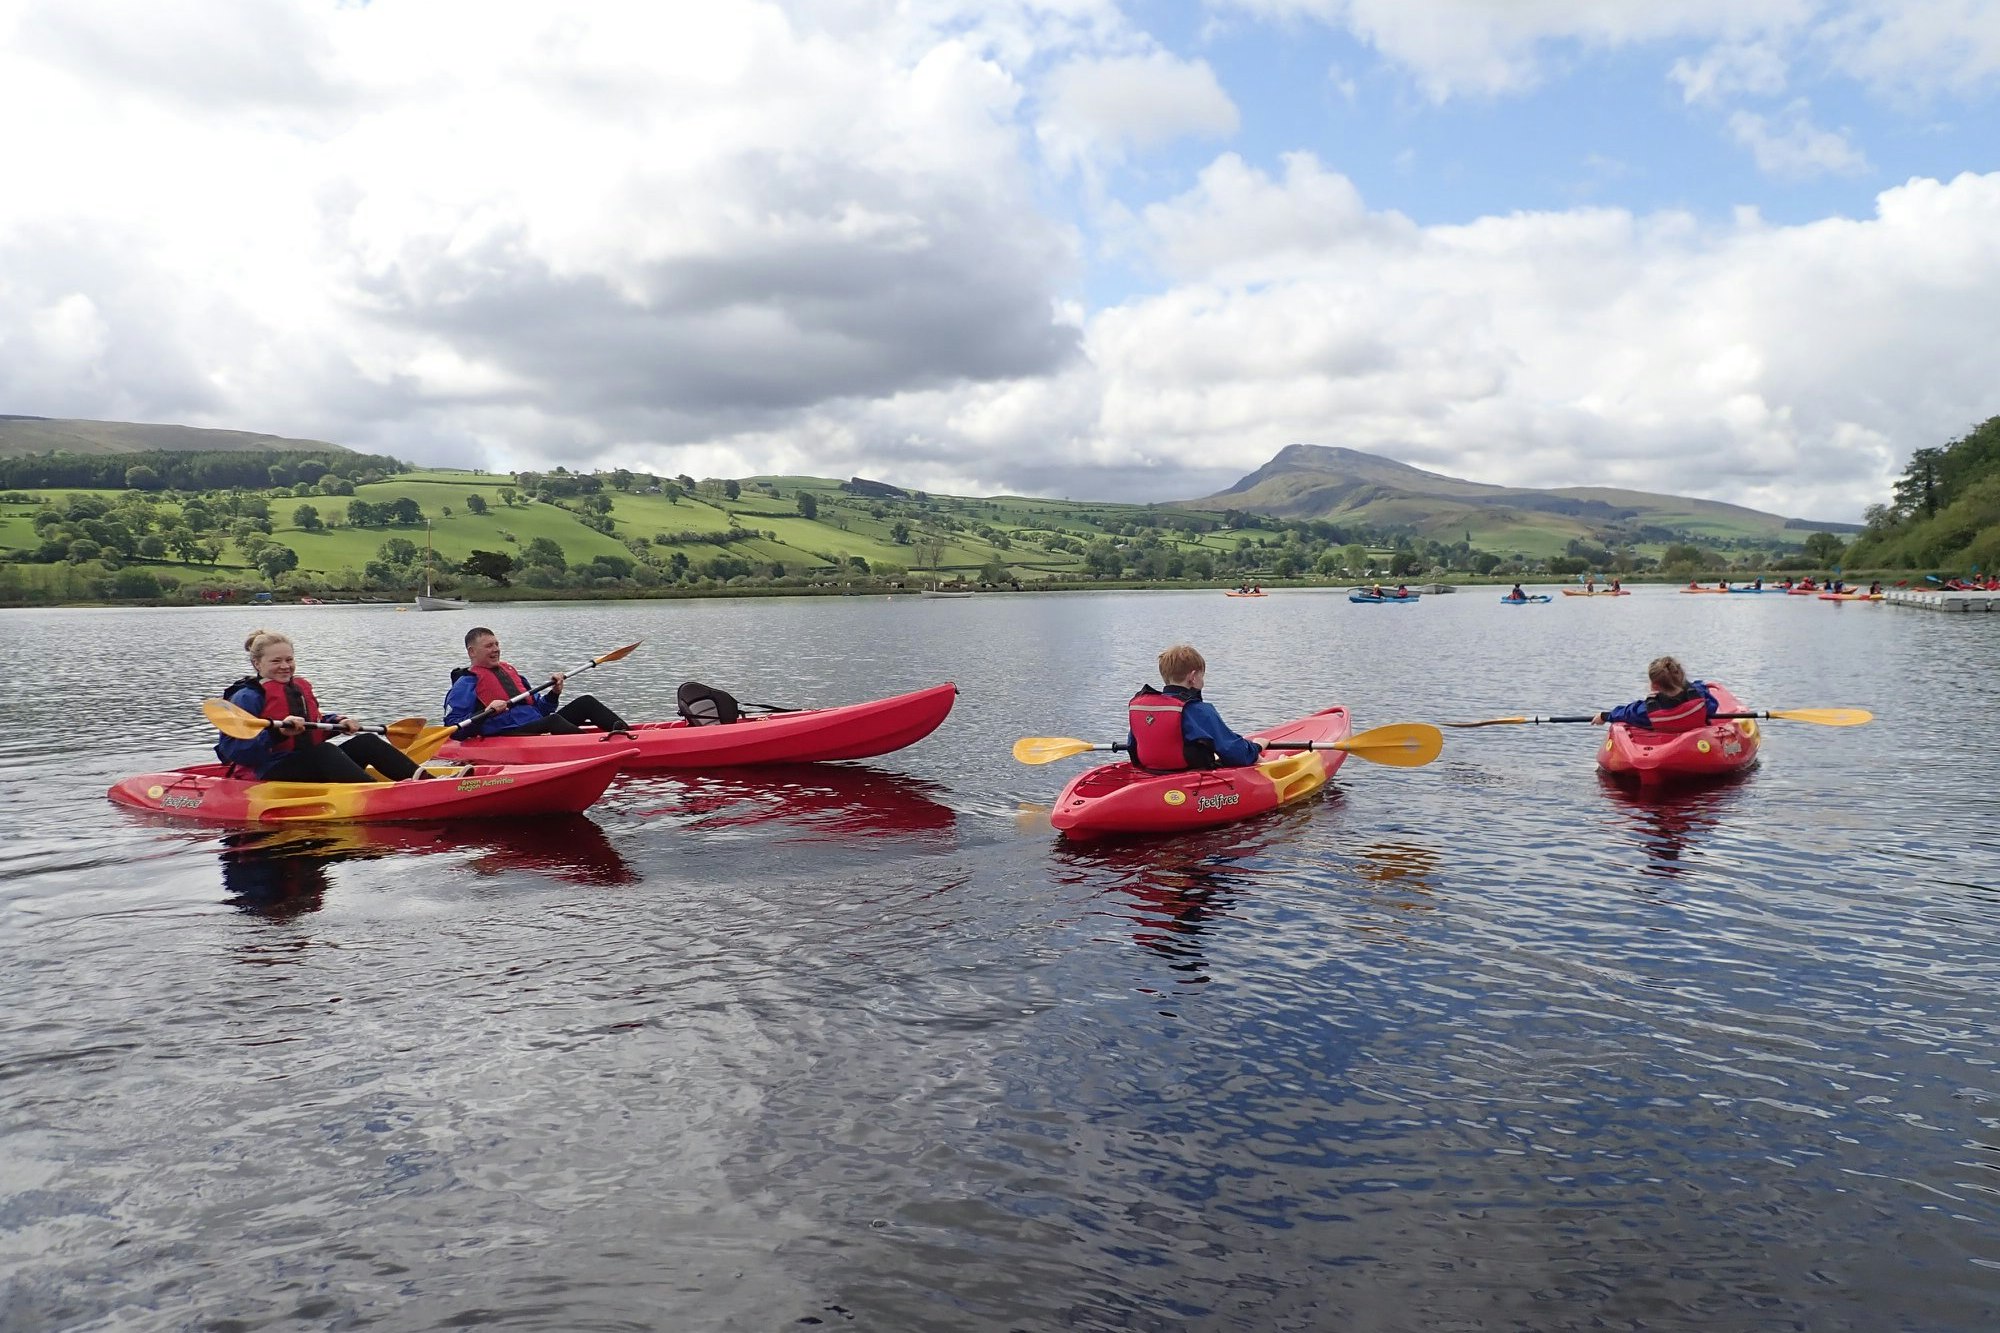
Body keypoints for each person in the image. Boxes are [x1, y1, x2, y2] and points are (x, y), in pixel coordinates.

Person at [216, 629, 424, 782]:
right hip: (267, 771)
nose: (285, 666)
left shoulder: (298, 688)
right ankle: (380, 794)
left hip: (306, 763)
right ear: (257, 664)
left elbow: (314, 724)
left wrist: (338, 722)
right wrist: (278, 733)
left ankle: (426, 782)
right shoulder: (246, 697)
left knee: (366, 741)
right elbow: (237, 750)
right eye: (276, 661)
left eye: (289, 659)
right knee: (324, 752)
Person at [444, 627, 630, 737]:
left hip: (538, 725)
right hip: (507, 734)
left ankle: (628, 735)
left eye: (497, 644)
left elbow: (541, 710)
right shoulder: (465, 684)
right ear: (472, 652)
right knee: (553, 721)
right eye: (489, 646)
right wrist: (486, 713)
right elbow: (453, 729)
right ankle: (600, 748)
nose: (496, 649)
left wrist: (554, 693)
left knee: (585, 702)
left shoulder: (509, 672)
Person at [1125, 644, 1262, 772]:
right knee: (1258, 759)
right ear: (1193, 677)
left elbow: (1132, 746)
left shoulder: (1141, 708)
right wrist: (1257, 747)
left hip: (1151, 773)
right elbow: (1235, 752)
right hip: (1188, 779)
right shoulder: (1197, 710)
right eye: (1202, 676)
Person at [1591, 656, 1720, 733]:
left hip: (1665, 741)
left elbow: (1627, 713)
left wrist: (1605, 716)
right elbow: (1713, 706)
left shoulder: (1647, 709)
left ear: (1654, 686)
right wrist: (1693, 687)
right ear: (1681, 677)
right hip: (1696, 742)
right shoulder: (1700, 698)